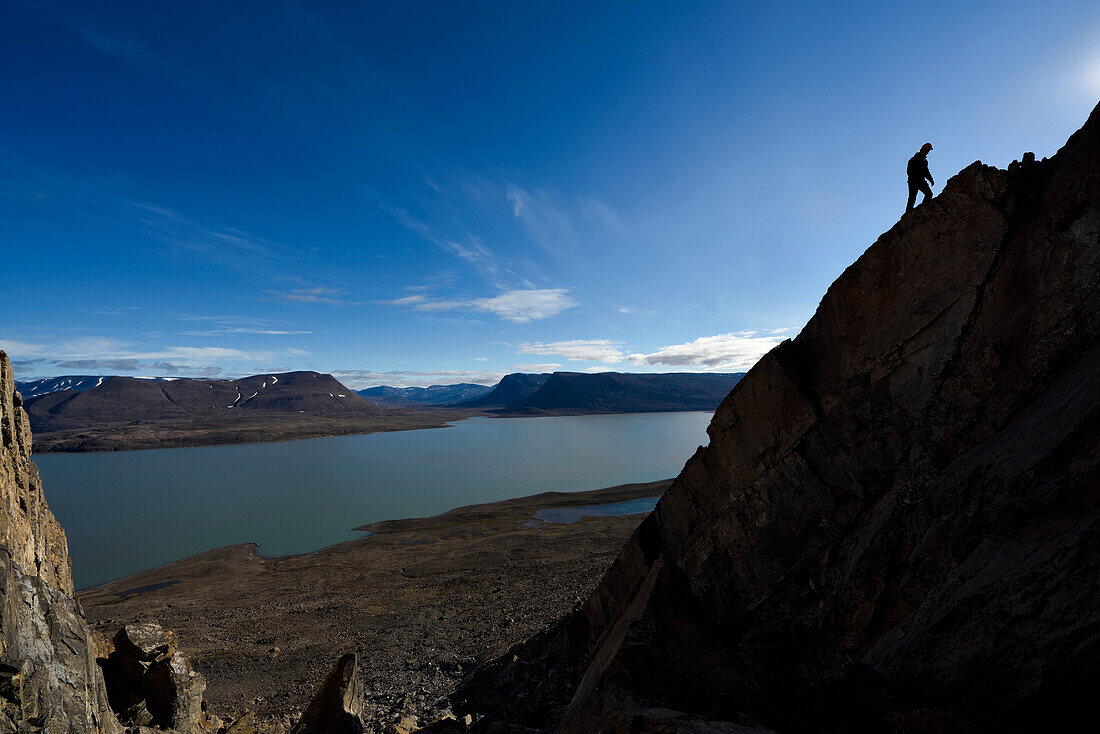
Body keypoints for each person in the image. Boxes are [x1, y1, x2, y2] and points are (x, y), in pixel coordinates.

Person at [906, 142, 934, 212]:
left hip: (913, 181)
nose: (928, 152)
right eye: (927, 150)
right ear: (924, 150)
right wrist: (929, 179)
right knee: (928, 194)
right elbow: (910, 171)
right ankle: (922, 209)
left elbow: (926, 172)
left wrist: (931, 180)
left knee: (912, 198)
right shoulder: (916, 160)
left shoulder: (922, 160)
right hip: (916, 181)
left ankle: (909, 214)